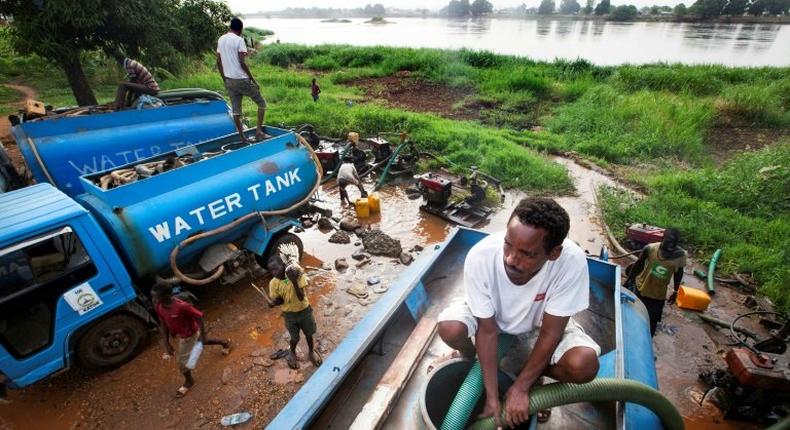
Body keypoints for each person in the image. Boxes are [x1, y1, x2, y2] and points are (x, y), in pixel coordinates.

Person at [437, 197, 600, 428]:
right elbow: (487, 330)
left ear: (553, 253)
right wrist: (492, 398)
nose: (511, 259)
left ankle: (532, 380)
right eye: (507, 244)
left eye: (527, 254)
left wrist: (521, 387)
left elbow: (551, 332)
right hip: (490, 317)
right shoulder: (481, 256)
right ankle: (469, 355)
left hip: (538, 323)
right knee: (450, 328)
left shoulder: (571, 262)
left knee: (584, 365)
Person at [152, 284, 231, 398]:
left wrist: (203, 333)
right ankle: (225, 343)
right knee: (203, 341)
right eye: (153, 297)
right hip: (184, 334)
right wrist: (167, 343)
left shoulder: (181, 306)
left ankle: (189, 382)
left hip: (189, 335)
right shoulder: (159, 306)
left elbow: (199, 316)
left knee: (182, 362)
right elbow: (163, 323)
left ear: (167, 295)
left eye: (157, 297)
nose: (154, 300)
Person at [625, 228, 687, 337]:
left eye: (674, 243)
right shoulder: (650, 249)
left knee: (651, 322)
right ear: (663, 238)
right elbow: (637, 266)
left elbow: (678, 274)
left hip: (658, 296)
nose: (671, 246)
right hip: (641, 289)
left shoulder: (680, 256)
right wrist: (628, 280)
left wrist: (676, 291)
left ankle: (647, 342)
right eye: (668, 241)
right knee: (634, 316)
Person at [267, 255, 323, 369]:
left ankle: (311, 351)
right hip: (289, 315)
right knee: (294, 338)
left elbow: (301, 297)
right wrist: (273, 303)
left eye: (276, 268)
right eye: (271, 270)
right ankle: (292, 352)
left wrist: (294, 282)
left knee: (309, 334)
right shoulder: (273, 283)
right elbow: (280, 300)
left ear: (283, 265)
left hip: (304, 311)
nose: (274, 272)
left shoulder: (296, 274)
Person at [216, 18, 267, 143]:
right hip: (241, 79)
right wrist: (253, 79)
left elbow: (218, 61)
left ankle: (243, 138)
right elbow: (242, 62)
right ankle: (259, 131)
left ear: (230, 27)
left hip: (229, 80)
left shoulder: (221, 39)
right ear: (240, 29)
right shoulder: (239, 40)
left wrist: (225, 79)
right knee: (262, 104)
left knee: (236, 111)